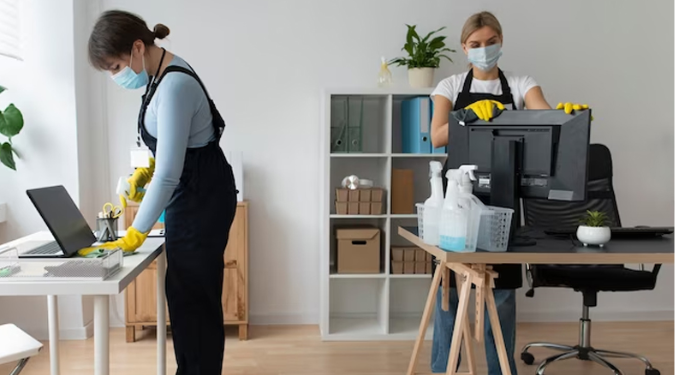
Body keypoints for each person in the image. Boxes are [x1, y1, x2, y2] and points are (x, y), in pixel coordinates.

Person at [429, 11, 589, 375]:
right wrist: (467, 114)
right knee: (449, 295)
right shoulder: (450, 87)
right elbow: (437, 134)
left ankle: (501, 371)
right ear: (464, 47)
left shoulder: (520, 83)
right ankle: (443, 370)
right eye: (475, 44)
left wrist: (568, 118)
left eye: (490, 42)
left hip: (503, 202)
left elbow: (546, 120)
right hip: (457, 201)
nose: (483, 50)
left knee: (500, 296)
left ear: (501, 41)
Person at [85, 10, 238, 375]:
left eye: (115, 66)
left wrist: (136, 231)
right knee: (184, 296)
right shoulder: (157, 77)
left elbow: (170, 174)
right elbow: (172, 153)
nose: (115, 76)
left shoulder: (173, 85)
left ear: (138, 48)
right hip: (194, 190)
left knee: (194, 299)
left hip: (201, 196)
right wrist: (144, 173)